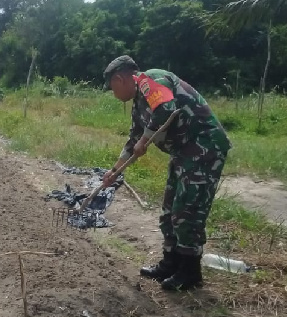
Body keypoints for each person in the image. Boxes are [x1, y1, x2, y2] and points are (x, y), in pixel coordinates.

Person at [98, 55, 231, 291]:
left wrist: (146, 140)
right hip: (183, 152)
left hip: (204, 147)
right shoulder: (139, 103)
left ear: (120, 79)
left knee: (187, 209)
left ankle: (190, 272)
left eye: (112, 88)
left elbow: (165, 108)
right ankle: (170, 263)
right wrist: (114, 171)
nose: (113, 93)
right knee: (169, 210)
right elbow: (133, 141)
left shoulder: (151, 79)